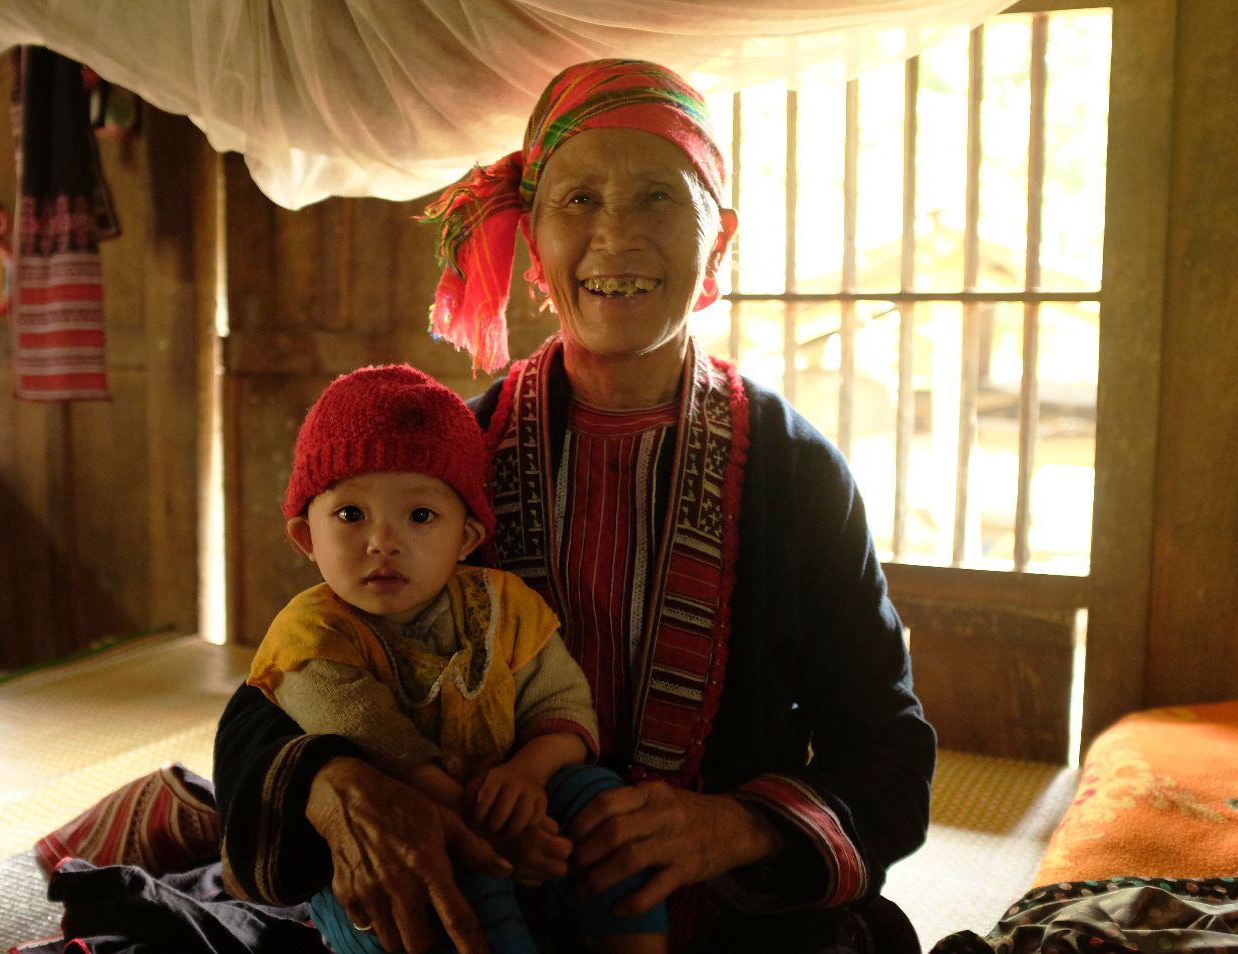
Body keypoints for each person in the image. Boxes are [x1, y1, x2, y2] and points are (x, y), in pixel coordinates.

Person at [213, 58, 936, 954]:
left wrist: (731, 827)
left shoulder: (798, 474)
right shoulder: (447, 465)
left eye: (659, 199)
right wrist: (337, 786)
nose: (616, 238)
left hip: (719, 916)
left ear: (721, 240)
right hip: (490, 897)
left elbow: (891, 755)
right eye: (578, 201)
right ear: (533, 245)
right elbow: (275, 688)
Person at [247, 363, 666, 954]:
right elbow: (378, 743)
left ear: (466, 540)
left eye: (420, 516)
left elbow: (564, 707)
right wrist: (492, 828)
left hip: (507, 797)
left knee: (598, 799)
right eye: (350, 515)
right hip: (403, 821)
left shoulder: (503, 606)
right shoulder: (310, 635)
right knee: (457, 890)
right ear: (305, 537)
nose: (382, 541)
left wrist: (528, 774)